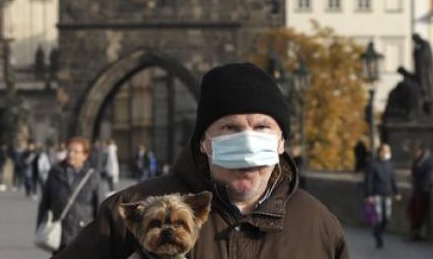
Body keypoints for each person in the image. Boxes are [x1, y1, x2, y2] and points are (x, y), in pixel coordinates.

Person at [55, 62, 349, 258]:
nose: (246, 139)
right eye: (229, 127)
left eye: (261, 127)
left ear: (281, 142)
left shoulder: (317, 224)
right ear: (204, 143)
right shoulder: (134, 208)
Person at [37, 137, 106, 253]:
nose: (71, 154)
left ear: (85, 155)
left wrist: (101, 236)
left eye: (75, 152)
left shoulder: (93, 176)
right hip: (60, 234)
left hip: (83, 235)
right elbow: (45, 203)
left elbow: (100, 208)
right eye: (69, 151)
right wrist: (41, 227)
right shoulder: (55, 173)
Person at [365, 143, 400, 249]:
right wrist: (369, 195)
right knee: (379, 218)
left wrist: (397, 192)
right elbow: (369, 181)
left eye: (388, 151)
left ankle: (377, 231)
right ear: (380, 152)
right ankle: (378, 237)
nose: (387, 153)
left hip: (387, 194)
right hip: (377, 195)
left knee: (387, 218)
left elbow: (393, 179)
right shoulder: (373, 164)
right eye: (385, 151)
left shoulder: (390, 165)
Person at [408, 144, 433, 240]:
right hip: (417, 188)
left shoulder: (428, 160)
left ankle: (417, 232)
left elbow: (418, 171)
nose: (414, 154)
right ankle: (414, 232)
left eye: (416, 152)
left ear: (421, 151)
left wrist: (414, 167)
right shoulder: (419, 160)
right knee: (412, 210)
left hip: (424, 189)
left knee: (419, 212)